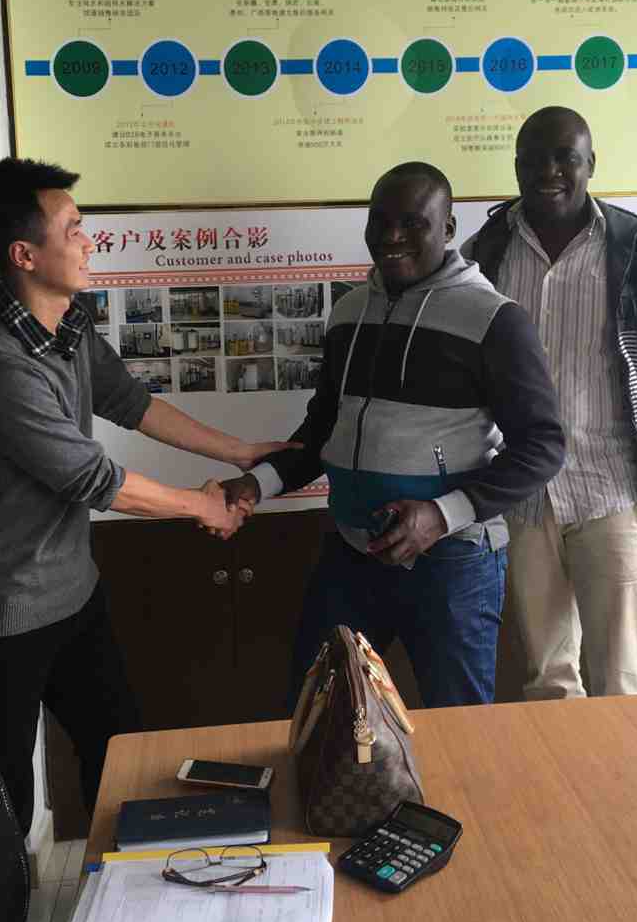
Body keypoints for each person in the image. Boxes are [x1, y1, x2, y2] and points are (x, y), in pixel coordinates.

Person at [0, 157, 287, 831]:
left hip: (74, 595)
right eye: (72, 229)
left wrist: (239, 452)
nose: (87, 241)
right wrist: (203, 506)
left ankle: (121, 885)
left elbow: (131, 403)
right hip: (1, 614)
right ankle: (0, 902)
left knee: (119, 752)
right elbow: (95, 481)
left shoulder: (67, 327)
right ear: (24, 255)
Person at [227, 162, 568, 710]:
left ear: (448, 229)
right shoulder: (348, 313)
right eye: (379, 221)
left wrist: (441, 515)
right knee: (319, 709)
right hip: (351, 555)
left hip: (452, 563)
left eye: (413, 222)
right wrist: (256, 485)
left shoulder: (494, 319)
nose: (391, 237)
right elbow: (322, 429)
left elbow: (543, 447)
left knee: (458, 724)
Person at [460, 106, 637, 699]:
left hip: (611, 492)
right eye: (533, 160)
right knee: (548, 680)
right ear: (515, 167)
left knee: (624, 681)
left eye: (565, 158)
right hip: (522, 497)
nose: (549, 171)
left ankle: (625, 769)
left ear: (590, 164)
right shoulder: (486, 251)